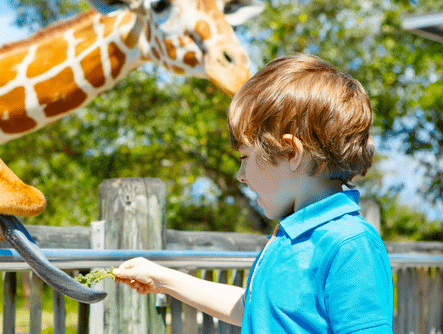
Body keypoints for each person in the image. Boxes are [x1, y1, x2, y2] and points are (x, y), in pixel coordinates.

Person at [113, 53, 393, 333]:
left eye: (245, 157)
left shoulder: (350, 244)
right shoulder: (289, 238)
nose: (240, 176)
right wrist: (160, 278)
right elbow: (254, 308)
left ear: (291, 153)